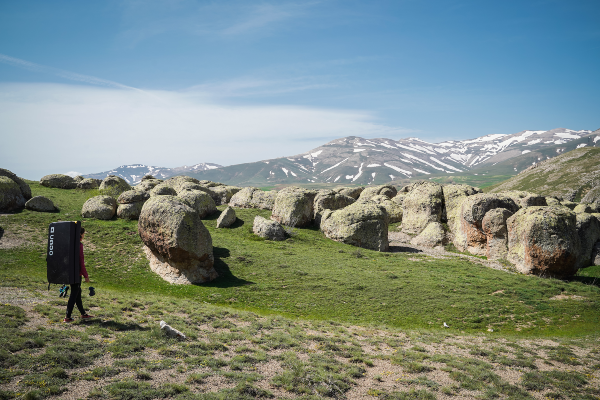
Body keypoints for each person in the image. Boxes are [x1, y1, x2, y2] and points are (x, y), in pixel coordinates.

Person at [64, 227, 93, 322]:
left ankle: (83, 314)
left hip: (70, 272)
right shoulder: (79, 246)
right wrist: (86, 275)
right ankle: (67, 317)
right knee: (74, 294)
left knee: (77, 293)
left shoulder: (70, 244)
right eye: (84, 234)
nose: (84, 235)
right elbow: (81, 262)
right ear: (80, 235)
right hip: (77, 274)